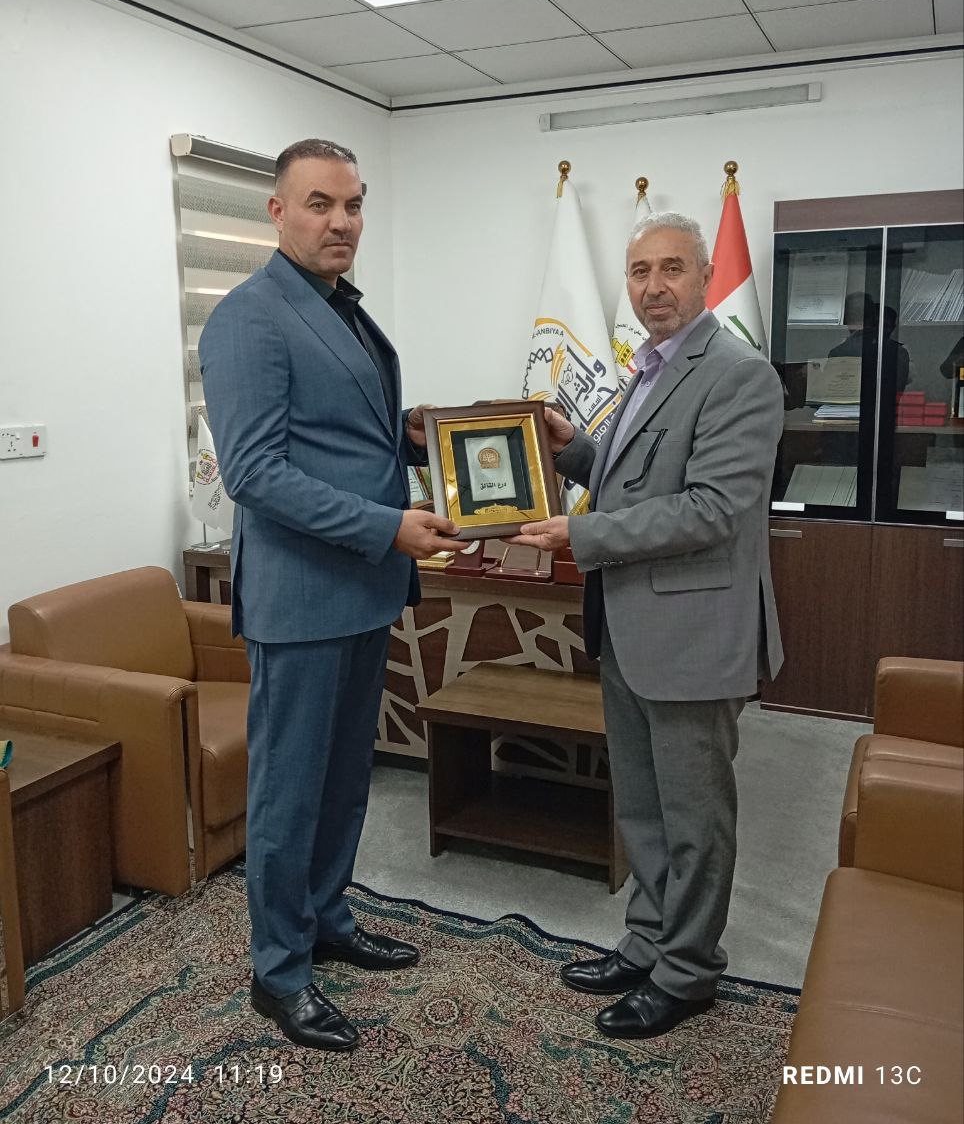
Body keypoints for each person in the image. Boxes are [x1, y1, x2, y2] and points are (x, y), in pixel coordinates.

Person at [199, 138, 465, 1050]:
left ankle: (326, 919)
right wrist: (388, 526)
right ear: (277, 211)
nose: (341, 221)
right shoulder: (249, 317)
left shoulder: (340, 308)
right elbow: (255, 473)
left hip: (361, 593)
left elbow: (339, 433)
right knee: (289, 792)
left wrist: (418, 437)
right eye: (320, 203)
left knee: (348, 777)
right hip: (303, 598)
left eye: (353, 204)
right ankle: (279, 972)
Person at [510, 212, 784, 1039]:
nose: (653, 287)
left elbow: (712, 508)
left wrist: (581, 534)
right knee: (642, 806)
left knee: (694, 818)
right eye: (639, 272)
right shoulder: (650, 366)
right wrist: (572, 450)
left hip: (694, 634)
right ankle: (648, 942)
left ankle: (688, 971)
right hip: (631, 627)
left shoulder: (738, 373)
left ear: (705, 276)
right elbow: (637, 476)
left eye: (671, 269)